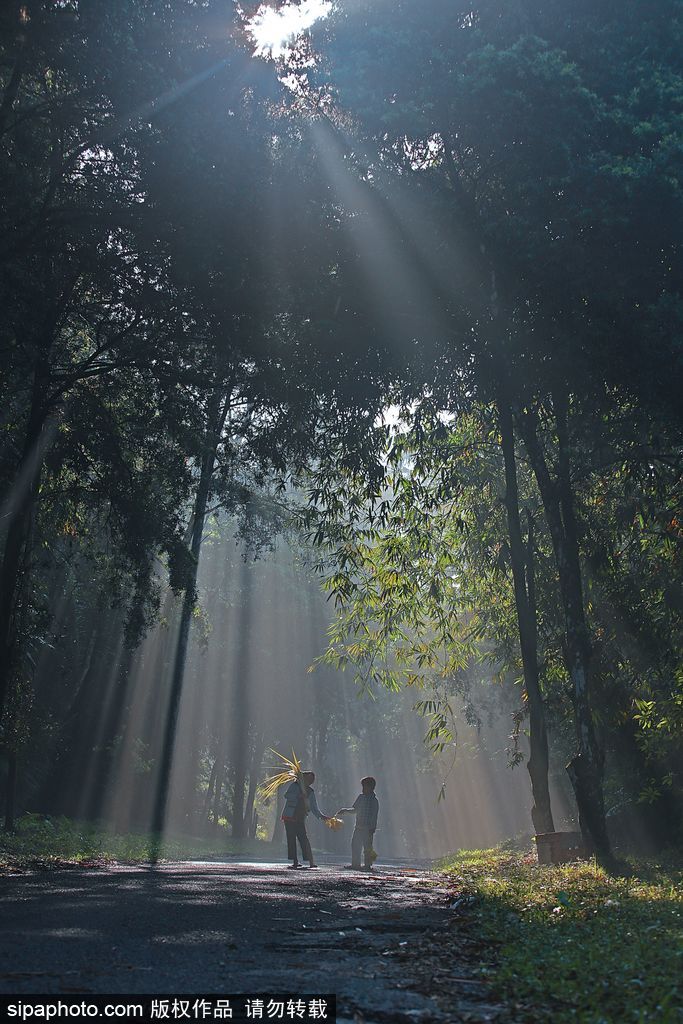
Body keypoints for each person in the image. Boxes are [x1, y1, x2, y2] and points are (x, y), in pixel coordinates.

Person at [281, 770, 330, 869]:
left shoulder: (310, 792)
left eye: (312, 779)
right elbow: (287, 795)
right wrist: (297, 796)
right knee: (291, 839)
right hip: (289, 816)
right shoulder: (295, 786)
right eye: (309, 778)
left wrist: (322, 816)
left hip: (300, 817)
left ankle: (311, 862)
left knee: (303, 839)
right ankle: (295, 861)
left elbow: (314, 807)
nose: (311, 780)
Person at [337, 776, 379, 870]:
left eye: (364, 787)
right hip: (358, 827)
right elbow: (355, 810)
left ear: (370, 787)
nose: (363, 789)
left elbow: (374, 815)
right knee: (355, 845)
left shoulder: (374, 801)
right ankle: (355, 864)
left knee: (367, 847)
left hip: (368, 829)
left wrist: (373, 827)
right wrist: (345, 810)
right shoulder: (360, 798)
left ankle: (368, 865)